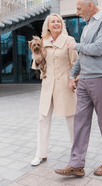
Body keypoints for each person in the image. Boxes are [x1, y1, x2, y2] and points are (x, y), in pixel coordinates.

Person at [55, 0, 102, 176]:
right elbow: (82, 56)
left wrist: (75, 45)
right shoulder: (88, 26)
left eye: (79, 8)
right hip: (83, 81)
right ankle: (76, 163)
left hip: (101, 79)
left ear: (90, 5)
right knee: (80, 123)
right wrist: (72, 75)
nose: (77, 12)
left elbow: (98, 49)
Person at [30, 13, 78, 166]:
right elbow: (38, 63)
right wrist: (36, 56)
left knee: (71, 119)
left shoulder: (69, 41)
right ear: (48, 26)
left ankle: (77, 153)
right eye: (53, 22)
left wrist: (74, 80)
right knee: (42, 119)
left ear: (62, 25)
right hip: (47, 85)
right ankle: (40, 154)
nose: (56, 23)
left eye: (58, 21)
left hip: (66, 85)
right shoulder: (43, 42)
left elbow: (76, 63)